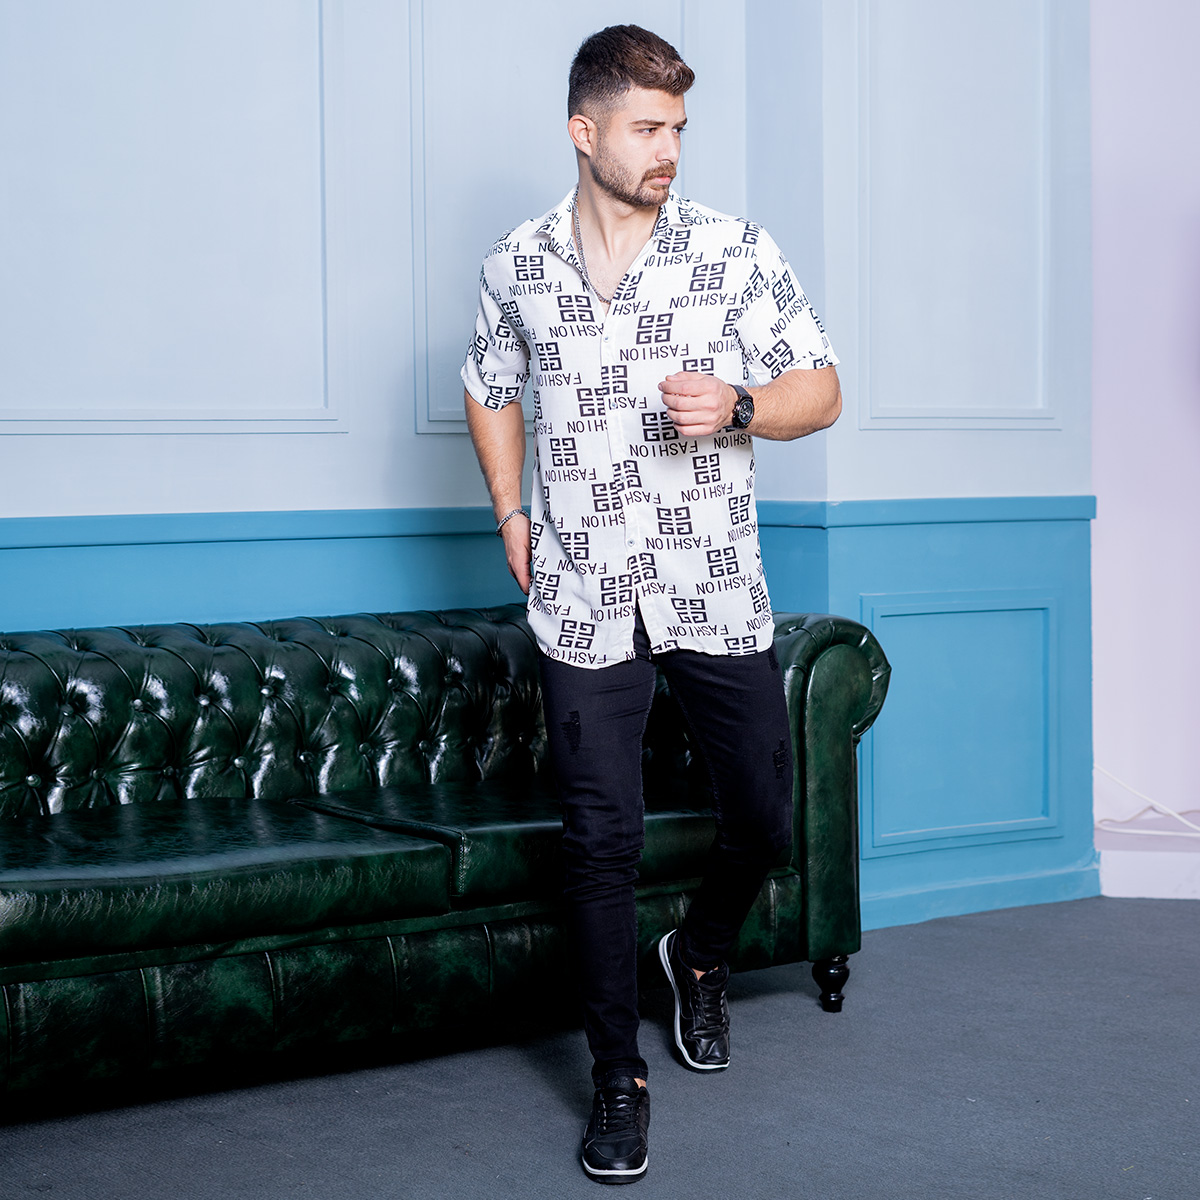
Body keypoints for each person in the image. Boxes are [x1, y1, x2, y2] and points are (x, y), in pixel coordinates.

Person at [462, 24, 840, 1184]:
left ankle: (701, 953)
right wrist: (510, 513)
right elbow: (489, 385)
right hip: (582, 594)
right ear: (585, 132)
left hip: (712, 586)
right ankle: (616, 1081)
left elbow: (822, 389)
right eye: (646, 127)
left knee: (765, 820)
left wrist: (739, 405)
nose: (669, 147)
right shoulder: (518, 264)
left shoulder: (734, 251)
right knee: (599, 841)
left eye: (678, 126)